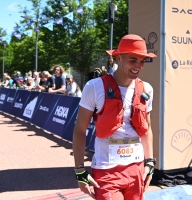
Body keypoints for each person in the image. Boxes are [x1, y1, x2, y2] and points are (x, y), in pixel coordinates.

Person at [72, 34, 157, 200]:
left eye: (142, 61)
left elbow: (147, 129)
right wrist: (80, 170)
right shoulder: (95, 87)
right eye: (133, 60)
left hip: (136, 170)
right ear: (118, 57)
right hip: (106, 170)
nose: (138, 66)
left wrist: (150, 162)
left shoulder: (147, 89)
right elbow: (79, 130)